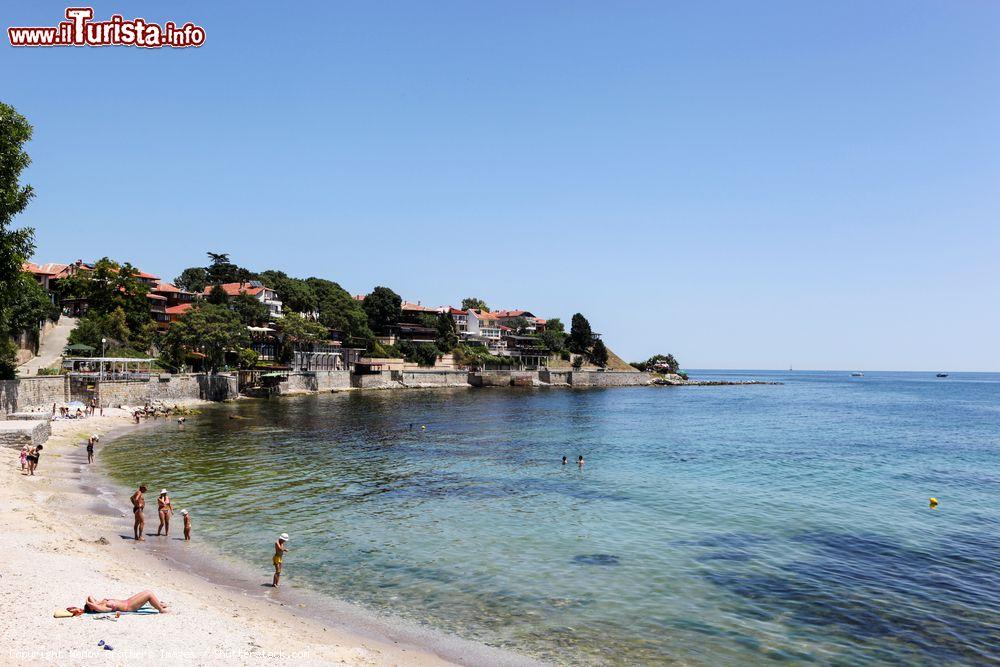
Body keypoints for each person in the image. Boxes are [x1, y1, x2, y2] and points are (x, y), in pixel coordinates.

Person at [79, 590, 169, 614]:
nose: (93, 601)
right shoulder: (101, 608)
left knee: (146, 591)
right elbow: (91, 602)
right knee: (149, 594)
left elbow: (90, 597)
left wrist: (90, 602)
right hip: (129, 607)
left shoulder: (99, 603)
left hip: (128, 601)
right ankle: (161, 609)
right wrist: (90, 604)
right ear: (92, 608)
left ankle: (158, 604)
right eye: (92, 604)